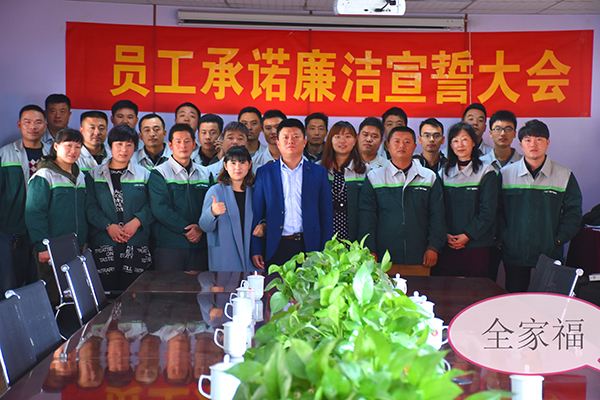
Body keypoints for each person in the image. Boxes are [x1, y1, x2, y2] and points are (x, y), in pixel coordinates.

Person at [499, 119, 582, 292]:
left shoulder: (564, 175)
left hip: (550, 251)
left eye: (539, 139)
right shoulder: (506, 174)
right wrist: (505, 238)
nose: (533, 144)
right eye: (528, 140)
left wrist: (558, 239)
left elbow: (573, 213)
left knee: (550, 301)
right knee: (515, 299)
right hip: (515, 251)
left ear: (547, 143)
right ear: (521, 144)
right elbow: (496, 210)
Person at [251, 118, 333, 269]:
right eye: (285, 137)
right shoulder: (265, 173)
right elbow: (257, 213)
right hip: (276, 245)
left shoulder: (318, 172)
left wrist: (326, 250)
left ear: (304, 142)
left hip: (309, 246)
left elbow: (326, 214)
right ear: (278, 143)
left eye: (296, 136)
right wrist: (256, 248)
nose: (291, 141)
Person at [358, 126, 446, 267]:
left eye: (407, 142)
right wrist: (370, 250)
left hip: (421, 254)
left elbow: (437, 216)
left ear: (415, 146)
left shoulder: (429, 177)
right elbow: (367, 218)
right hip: (383, 256)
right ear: (388, 146)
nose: (401, 146)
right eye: (396, 141)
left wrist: (433, 247)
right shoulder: (374, 177)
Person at [86, 125, 154, 291]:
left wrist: (136, 222)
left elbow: (153, 205)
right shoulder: (94, 174)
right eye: (119, 144)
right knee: (105, 294)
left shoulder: (145, 174)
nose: (124, 149)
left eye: (129, 145)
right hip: (104, 242)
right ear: (110, 146)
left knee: (135, 296)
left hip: (136, 241)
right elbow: (89, 207)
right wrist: (108, 226)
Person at [26, 128, 88, 305]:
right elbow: (34, 213)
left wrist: (84, 242)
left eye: (78, 147)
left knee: (74, 300)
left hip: (76, 247)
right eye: (68, 145)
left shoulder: (80, 176)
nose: (73, 151)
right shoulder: (44, 175)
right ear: (56, 146)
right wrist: (42, 246)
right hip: (51, 249)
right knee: (53, 298)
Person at [0, 105, 51, 293]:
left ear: (45, 126)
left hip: (45, 232)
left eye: (38, 122)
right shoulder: (5, 154)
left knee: (40, 286)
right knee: (9, 287)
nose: (33, 127)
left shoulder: (54, 155)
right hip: (11, 232)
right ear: (19, 125)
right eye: (27, 122)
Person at [435, 122, 498, 277]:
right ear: (450, 145)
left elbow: (488, 211)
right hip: (448, 244)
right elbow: (437, 209)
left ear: (473, 142)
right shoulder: (443, 173)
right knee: (447, 288)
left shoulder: (486, 171)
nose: (460, 145)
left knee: (475, 288)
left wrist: (467, 235)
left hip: (477, 246)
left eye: (464, 139)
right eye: (455, 141)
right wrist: (445, 234)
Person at [148, 123, 210, 271]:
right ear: (170, 145)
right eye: (178, 141)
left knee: (198, 285)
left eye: (187, 141)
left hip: (200, 244)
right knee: (170, 285)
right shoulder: (159, 173)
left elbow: (210, 206)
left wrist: (200, 228)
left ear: (194, 144)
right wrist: (187, 229)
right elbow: (160, 209)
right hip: (170, 245)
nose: (183, 145)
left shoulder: (205, 173)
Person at [200, 146, 257, 272]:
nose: (237, 167)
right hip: (225, 257)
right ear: (225, 165)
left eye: (242, 162)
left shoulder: (254, 192)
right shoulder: (215, 191)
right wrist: (212, 213)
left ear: (249, 165)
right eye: (233, 163)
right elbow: (204, 226)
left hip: (250, 256)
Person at [320, 121, 368, 242]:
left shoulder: (366, 171)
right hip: (326, 231)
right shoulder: (319, 169)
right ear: (330, 140)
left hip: (354, 232)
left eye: (347, 136)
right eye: (337, 136)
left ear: (355, 140)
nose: (342, 141)